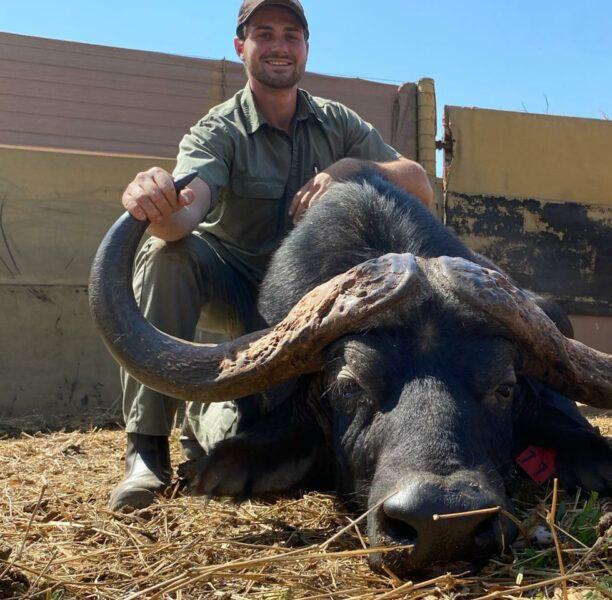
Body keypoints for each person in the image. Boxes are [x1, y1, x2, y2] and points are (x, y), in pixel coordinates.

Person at [110, 0, 433, 511]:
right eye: (264, 34)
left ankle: (213, 417)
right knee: (166, 254)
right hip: (240, 288)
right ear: (241, 47)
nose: (279, 46)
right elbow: (182, 218)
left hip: (323, 302)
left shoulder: (339, 123)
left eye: (291, 34)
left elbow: (419, 186)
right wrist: (155, 201)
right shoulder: (217, 130)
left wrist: (351, 167)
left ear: (305, 47)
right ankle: (146, 452)